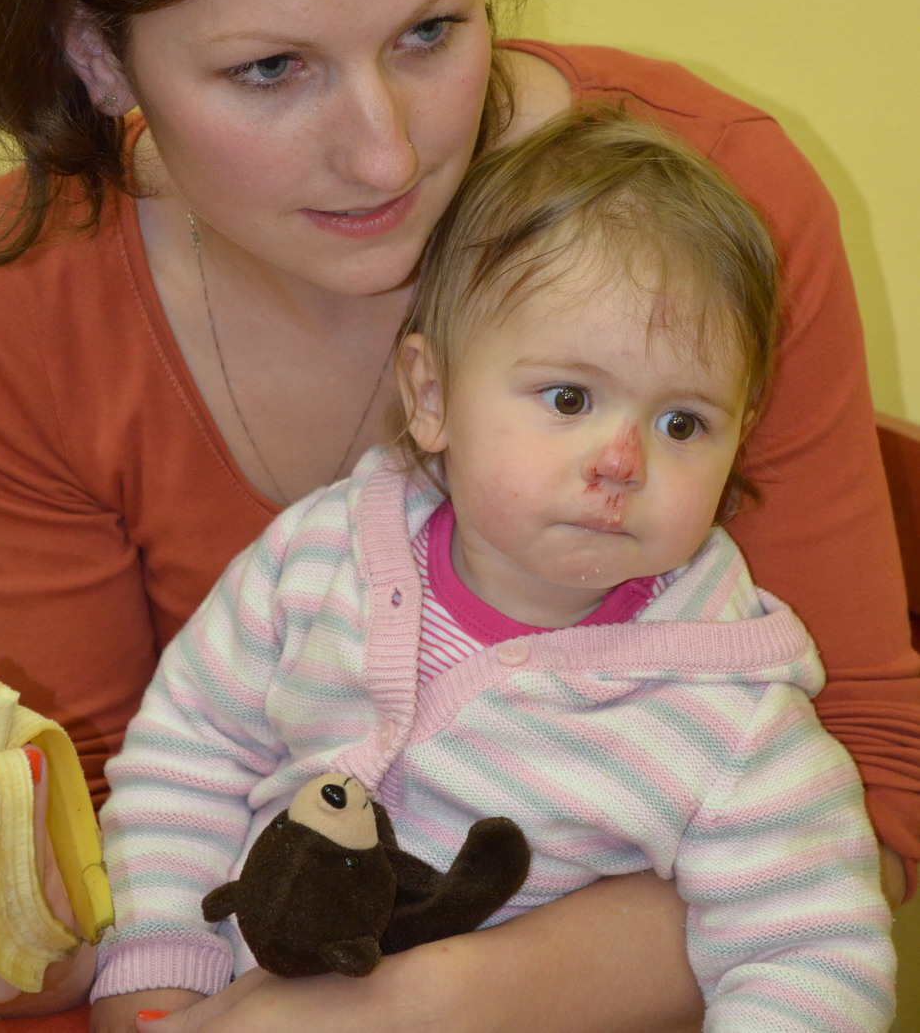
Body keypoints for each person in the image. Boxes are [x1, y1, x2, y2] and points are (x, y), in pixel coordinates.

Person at [0, 0, 915, 1033]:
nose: (387, 153)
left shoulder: (718, 218)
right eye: (271, 68)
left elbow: (862, 806)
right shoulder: (16, 303)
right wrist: (23, 941)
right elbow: (112, 831)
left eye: (429, 31)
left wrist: (407, 1006)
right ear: (98, 57)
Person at [94, 106, 896, 1032]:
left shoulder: (731, 716)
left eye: (682, 423)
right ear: (431, 395)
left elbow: (811, 956)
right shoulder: (318, 559)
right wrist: (159, 963)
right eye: (569, 398)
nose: (621, 461)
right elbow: (190, 752)